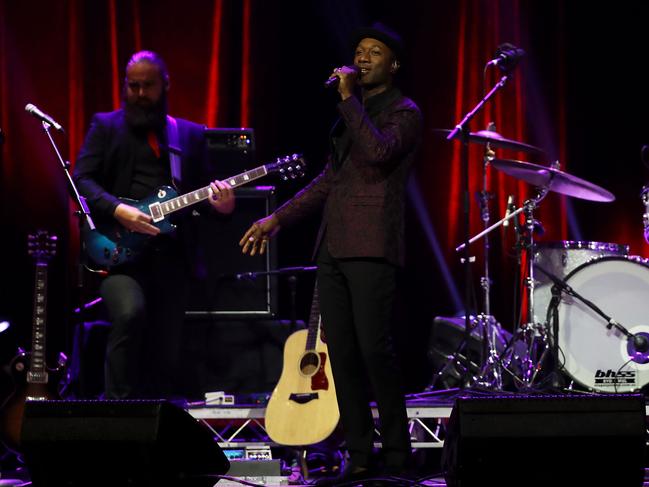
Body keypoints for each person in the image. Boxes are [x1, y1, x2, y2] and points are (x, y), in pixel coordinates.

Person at [240, 23, 422, 483]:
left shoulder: (404, 112)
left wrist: (347, 99)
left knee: (373, 350)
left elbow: (379, 153)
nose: (361, 59)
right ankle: (360, 455)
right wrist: (275, 219)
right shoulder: (350, 116)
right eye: (358, 52)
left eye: (373, 53)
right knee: (339, 354)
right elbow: (329, 181)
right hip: (333, 246)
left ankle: (398, 457)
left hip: (372, 244)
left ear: (393, 64)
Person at [73, 51, 235, 399]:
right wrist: (118, 210)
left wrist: (221, 206)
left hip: (171, 258)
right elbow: (81, 180)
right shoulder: (106, 126)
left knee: (166, 349)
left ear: (165, 85)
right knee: (130, 314)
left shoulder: (187, 134)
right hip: (117, 254)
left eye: (148, 86)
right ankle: (115, 412)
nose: (140, 93)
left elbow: (202, 197)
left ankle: (154, 427)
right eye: (133, 86)